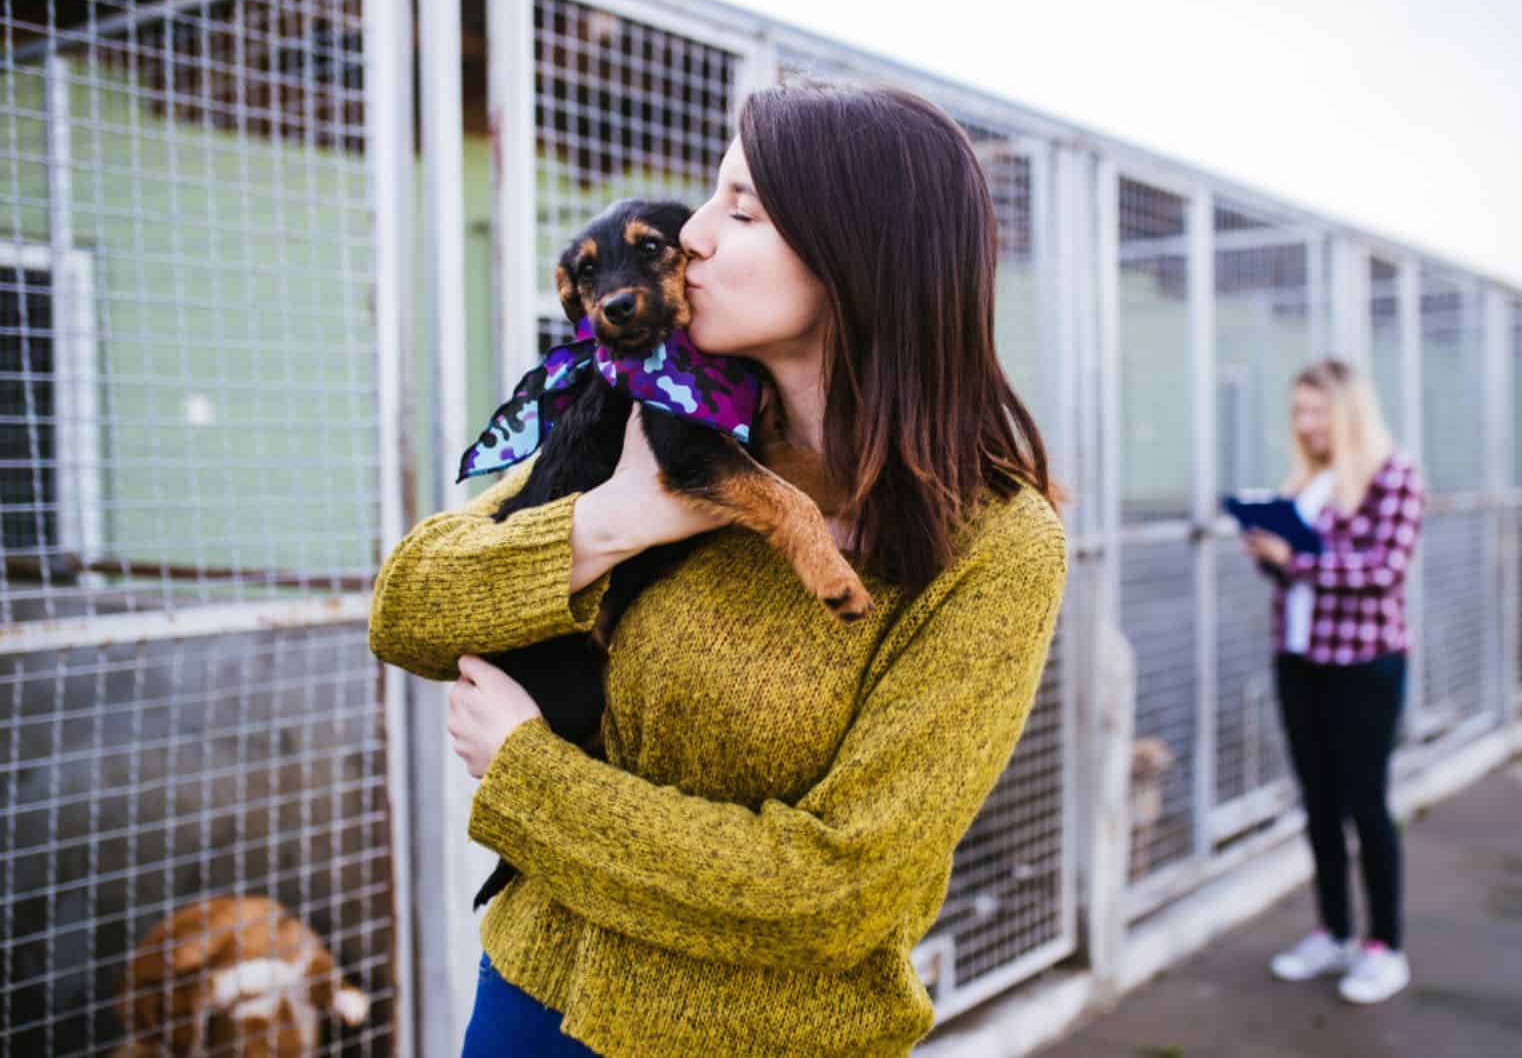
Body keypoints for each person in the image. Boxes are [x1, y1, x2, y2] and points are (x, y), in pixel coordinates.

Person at [368, 79, 1068, 1058]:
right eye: (707, 200)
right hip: (529, 994)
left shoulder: (996, 544)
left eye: (739, 209)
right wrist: (611, 521)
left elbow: (839, 892)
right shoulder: (652, 425)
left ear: (856, 256)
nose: (690, 235)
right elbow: (404, 610)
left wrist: (528, 778)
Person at [1242, 358, 1423, 1005]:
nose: (1305, 423)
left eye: (1316, 411)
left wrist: (1300, 558)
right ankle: (1336, 932)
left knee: (1365, 805)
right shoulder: (1307, 479)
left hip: (1364, 665)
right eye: (1298, 412)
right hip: (1299, 660)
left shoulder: (1393, 475)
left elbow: (1384, 570)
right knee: (1318, 804)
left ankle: (1385, 947)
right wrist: (1270, 556)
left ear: (1347, 411)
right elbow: (1298, 578)